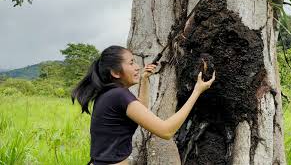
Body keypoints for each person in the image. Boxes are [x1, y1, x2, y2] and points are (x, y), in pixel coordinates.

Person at [72, 45, 215, 165]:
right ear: (115, 72)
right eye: (131, 63)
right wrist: (197, 92)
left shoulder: (109, 94)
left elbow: (141, 112)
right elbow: (166, 132)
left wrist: (144, 79)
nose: (137, 67)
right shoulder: (119, 95)